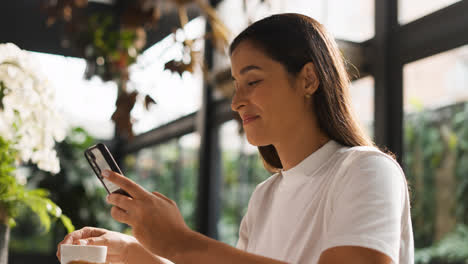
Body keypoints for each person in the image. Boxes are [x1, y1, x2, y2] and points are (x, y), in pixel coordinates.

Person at [57, 13, 414, 264]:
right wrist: (135, 253)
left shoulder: (366, 170)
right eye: (235, 85)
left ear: (308, 79)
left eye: (253, 81)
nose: (236, 101)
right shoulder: (265, 197)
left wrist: (181, 243)